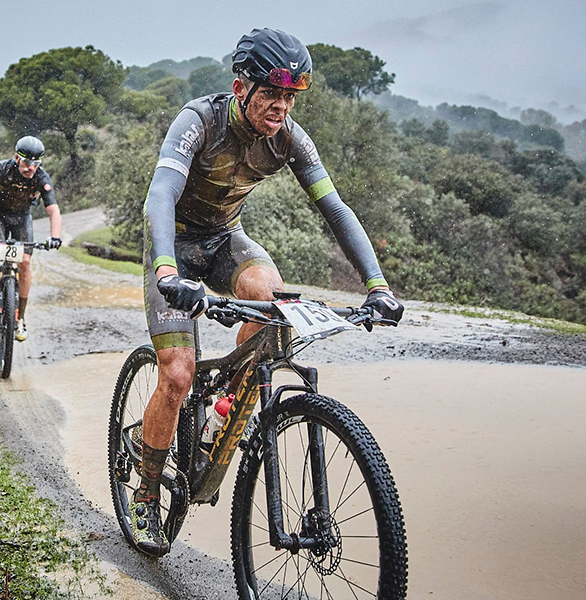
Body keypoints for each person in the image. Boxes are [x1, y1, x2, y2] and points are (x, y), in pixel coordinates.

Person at [129, 28, 405, 557]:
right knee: (178, 374)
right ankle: (145, 493)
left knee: (276, 303)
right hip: (175, 247)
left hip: (226, 239)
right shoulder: (199, 121)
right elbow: (161, 194)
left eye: (290, 97)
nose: (280, 107)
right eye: (271, 95)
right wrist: (167, 271)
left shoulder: (291, 138)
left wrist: (378, 286)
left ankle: (223, 406)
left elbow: (336, 210)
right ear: (240, 88)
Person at [0, 136, 62, 342]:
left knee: (24, 261)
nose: (30, 168)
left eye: (35, 164)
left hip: (21, 218)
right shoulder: (0, 170)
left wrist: (55, 237)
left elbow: (53, 210)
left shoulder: (41, 178)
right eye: (26, 163)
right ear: (17, 158)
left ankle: (20, 318)